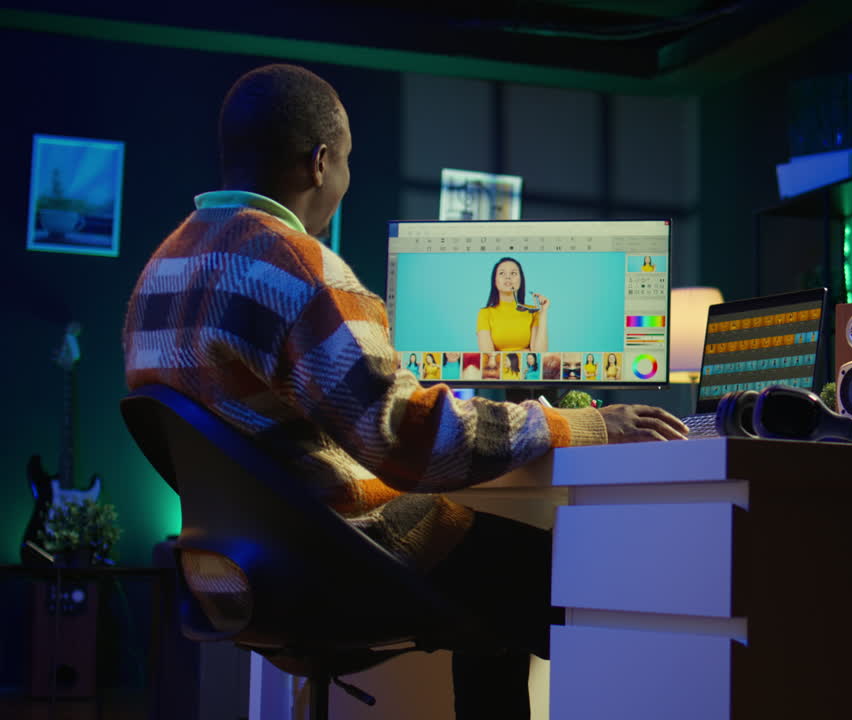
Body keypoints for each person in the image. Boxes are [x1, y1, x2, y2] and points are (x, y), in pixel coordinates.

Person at [121, 63, 687, 720]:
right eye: (348, 161)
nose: (345, 178)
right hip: (343, 561)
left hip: (238, 568)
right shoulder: (300, 268)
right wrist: (583, 425)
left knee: (494, 580)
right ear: (320, 162)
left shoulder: (160, 272)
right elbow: (413, 439)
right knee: (585, 582)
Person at [476, 257, 548, 352]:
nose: (508, 277)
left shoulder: (532, 311)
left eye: (513, 273)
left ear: (521, 280)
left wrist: (542, 314)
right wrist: (525, 351)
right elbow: (487, 354)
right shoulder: (485, 313)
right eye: (502, 273)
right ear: (495, 281)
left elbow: (540, 353)